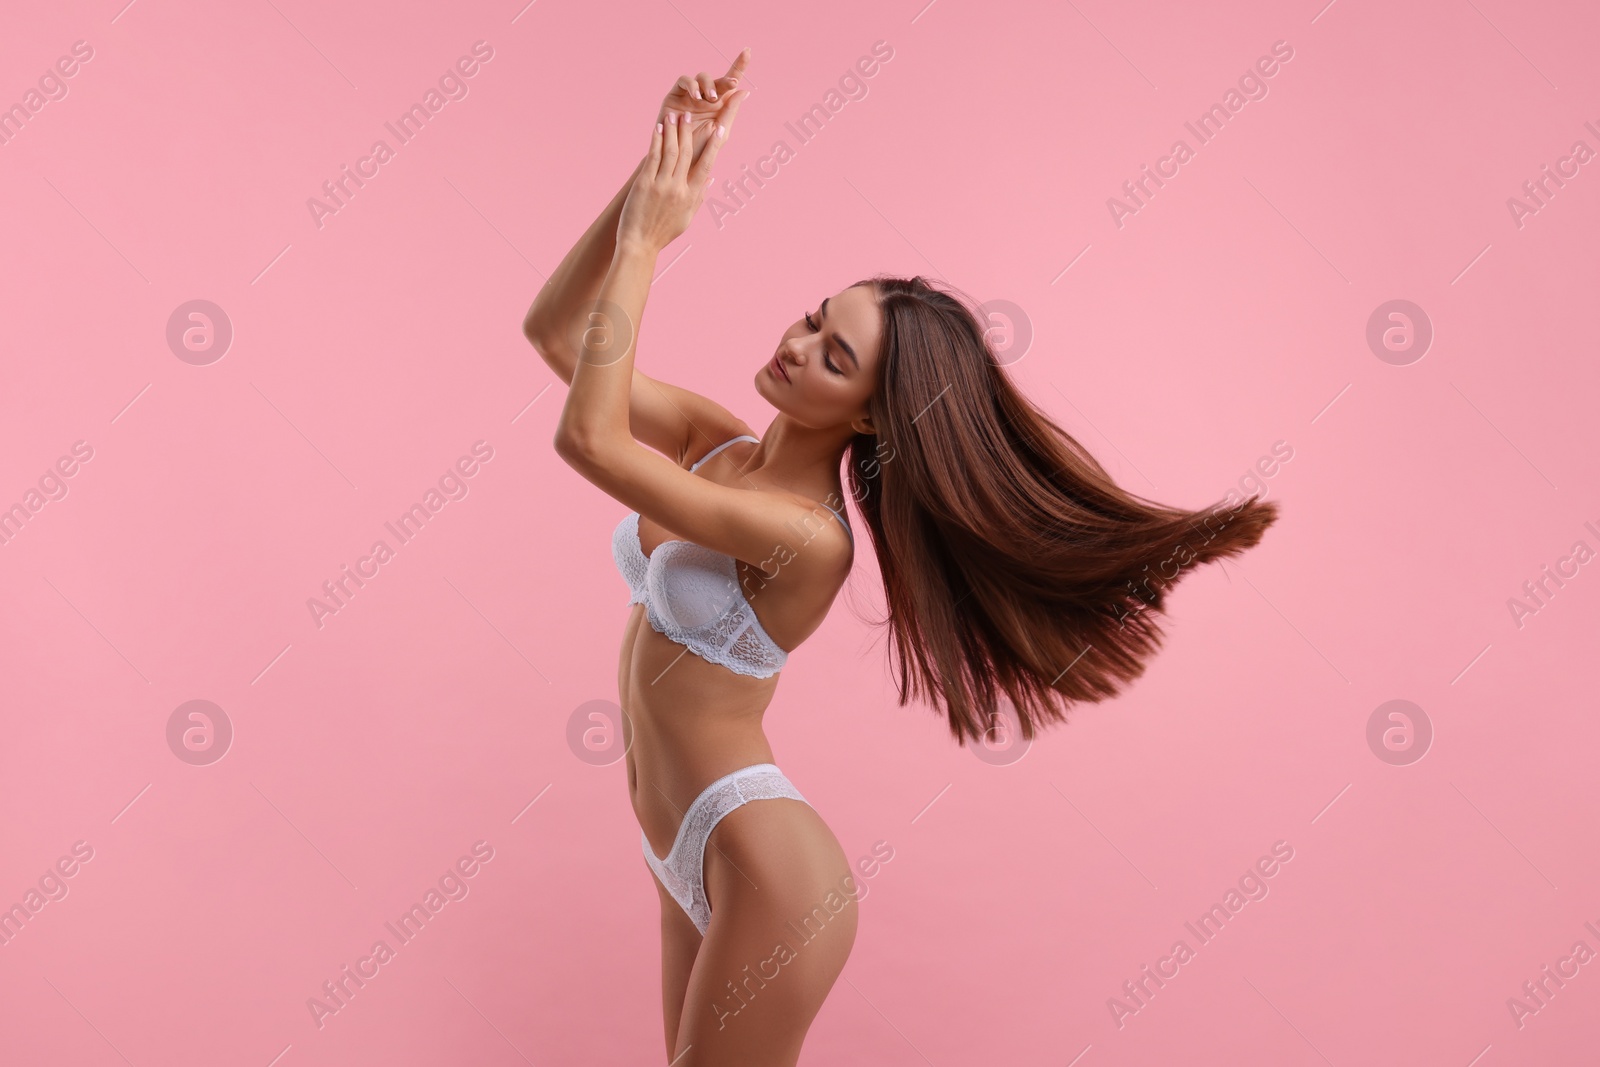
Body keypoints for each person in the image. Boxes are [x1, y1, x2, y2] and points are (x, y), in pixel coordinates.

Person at [521, 49, 1279, 1067]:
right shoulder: (719, 445)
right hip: (677, 846)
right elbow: (558, 336)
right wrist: (650, 191)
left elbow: (589, 441)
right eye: (813, 318)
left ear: (873, 411)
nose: (797, 346)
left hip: (765, 861)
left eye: (834, 357)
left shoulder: (806, 535)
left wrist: (651, 249)